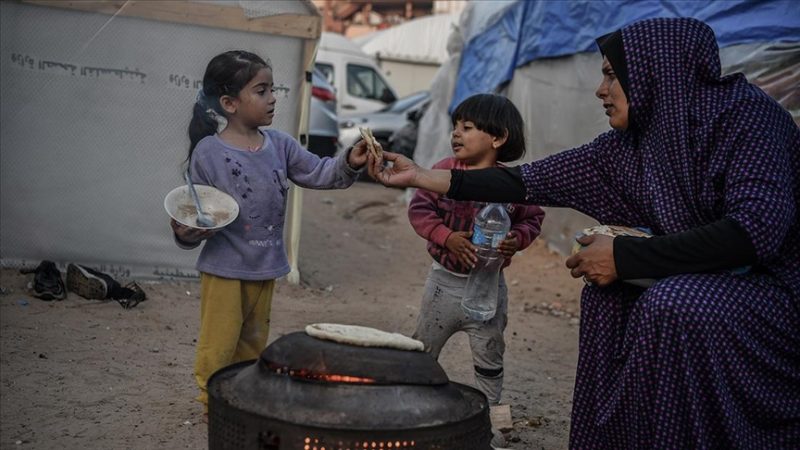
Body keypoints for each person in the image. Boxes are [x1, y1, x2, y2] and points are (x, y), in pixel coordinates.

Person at [368, 18, 800, 448]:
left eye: (612, 75)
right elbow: (528, 182)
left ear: (655, 69)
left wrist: (624, 257)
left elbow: (753, 231)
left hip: (775, 292)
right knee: (606, 295)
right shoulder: (632, 144)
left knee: (673, 304)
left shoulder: (745, 119)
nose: (600, 90)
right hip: (709, 279)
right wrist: (424, 177)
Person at [170, 50, 369, 414]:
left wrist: (349, 161)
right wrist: (186, 232)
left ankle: (242, 396)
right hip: (225, 268)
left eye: (272, 89)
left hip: (266, 263)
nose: (273, 97)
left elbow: (320, 173)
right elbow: (194, 212)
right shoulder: (209, 153)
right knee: (219, 342)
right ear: (229, 102)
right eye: (261, 91)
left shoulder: (279, 144)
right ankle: (211, 401)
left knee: (252, 341)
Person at [408, 94, 544, 407]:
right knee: (423, 351)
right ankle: (414, 411)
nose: (456, 133)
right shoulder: (444, 172)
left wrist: (517, 239)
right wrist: (446, 237)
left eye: (467, 127)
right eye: (455, 126)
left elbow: (534, 218)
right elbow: (420, 209)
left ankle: (492, 424)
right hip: (444, 284)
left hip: (488, 288)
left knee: (489, 356)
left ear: (497, 137)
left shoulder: (512, 183)